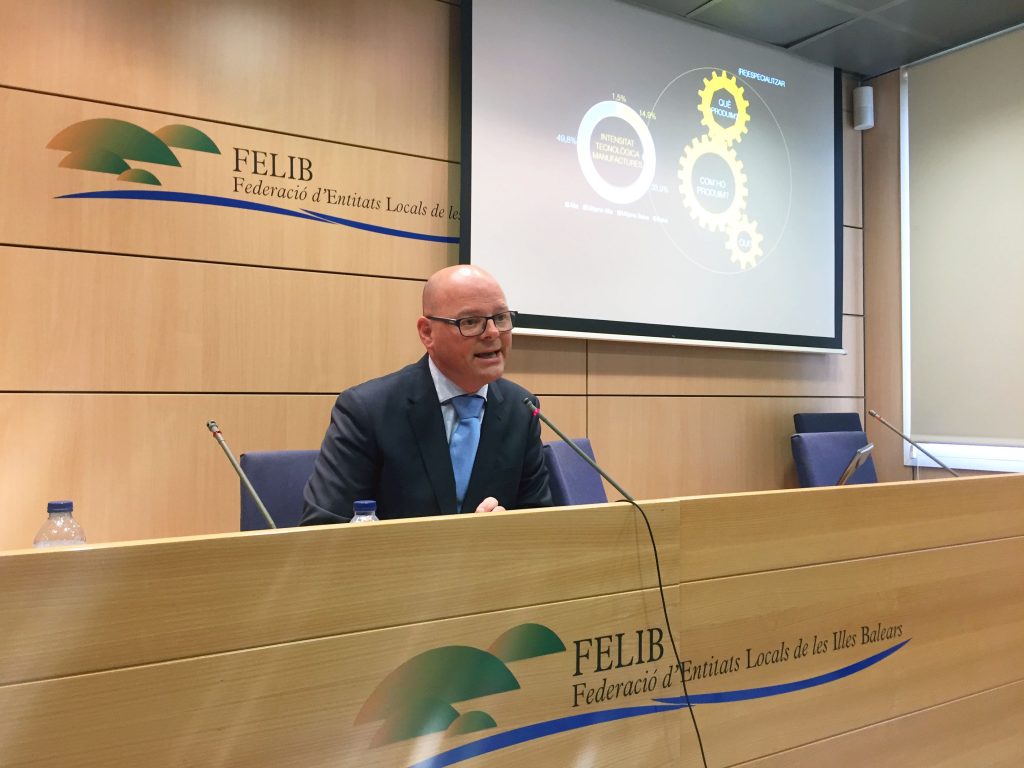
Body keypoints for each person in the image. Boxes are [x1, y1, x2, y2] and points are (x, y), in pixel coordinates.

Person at [301, 264, 552, 524]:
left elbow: (540, 520)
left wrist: (508, 530)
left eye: (500, 318)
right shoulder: (367, 410)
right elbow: (324, 526)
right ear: (427, 332)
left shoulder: (521, 409)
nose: (492, 332)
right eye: (470, 322)